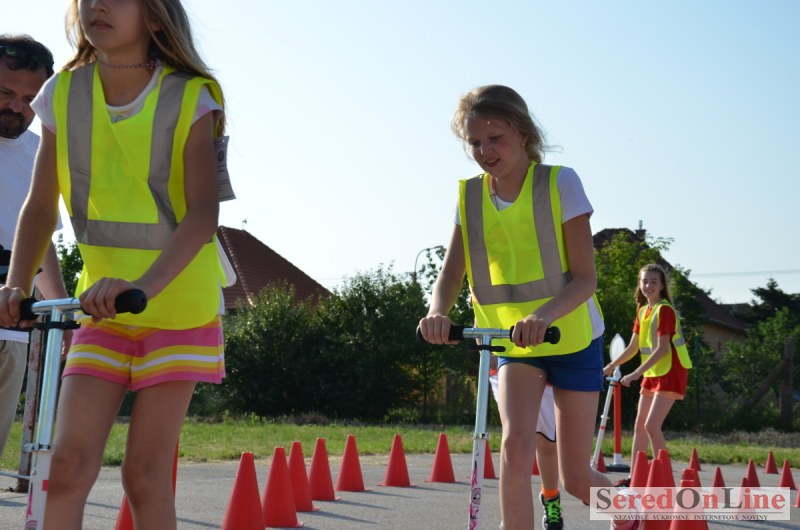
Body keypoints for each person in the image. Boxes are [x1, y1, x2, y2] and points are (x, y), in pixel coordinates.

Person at [0, 0, 229, 527]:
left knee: (144, 475)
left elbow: (203, 213)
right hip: (101, 310)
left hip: (177, 310)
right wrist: (16, 285)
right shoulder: (62, 92)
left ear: (154, 15)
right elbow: (40, 206)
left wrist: (143, 285)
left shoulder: (191, 96)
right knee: (65, 467)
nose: (97, 5)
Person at [419, 85, 635, 530]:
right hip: (514, 344)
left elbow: (586, 279)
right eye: (475, 142)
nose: (485, 150)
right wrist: (437, 311)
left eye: (495, 138)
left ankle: (625, 509)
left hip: (571, 338)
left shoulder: (561, 183)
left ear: (523, 134)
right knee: (515, 448)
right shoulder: (469, 197)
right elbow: (451, 273)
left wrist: (543, 316)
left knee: (575, 479)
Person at [0, 34, 69, 462]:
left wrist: (59, 311)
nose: (16, 107)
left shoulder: (39, 155)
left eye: (29, 99)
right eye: (5, 92)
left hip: (12, 332)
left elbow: (41, 243)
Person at [603, 263, 692, 488]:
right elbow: (633, 347)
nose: (648, 285)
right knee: (640, 426)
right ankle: (635, 479)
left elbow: (662, 349)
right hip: (653, 372)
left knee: (652, 426)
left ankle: (666, 482)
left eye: (653, 282)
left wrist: (634, 374)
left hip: (670, 372)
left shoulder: (665, 310)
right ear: (639, 284)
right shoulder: (643, 311)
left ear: (662, 286)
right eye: (644, 281)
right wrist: (611, 366)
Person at [489, 363, 563, 530]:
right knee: (515, 447)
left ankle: (623, 512)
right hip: (511, 362)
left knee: (575, 478)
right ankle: (511, 519)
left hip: (563, 364)